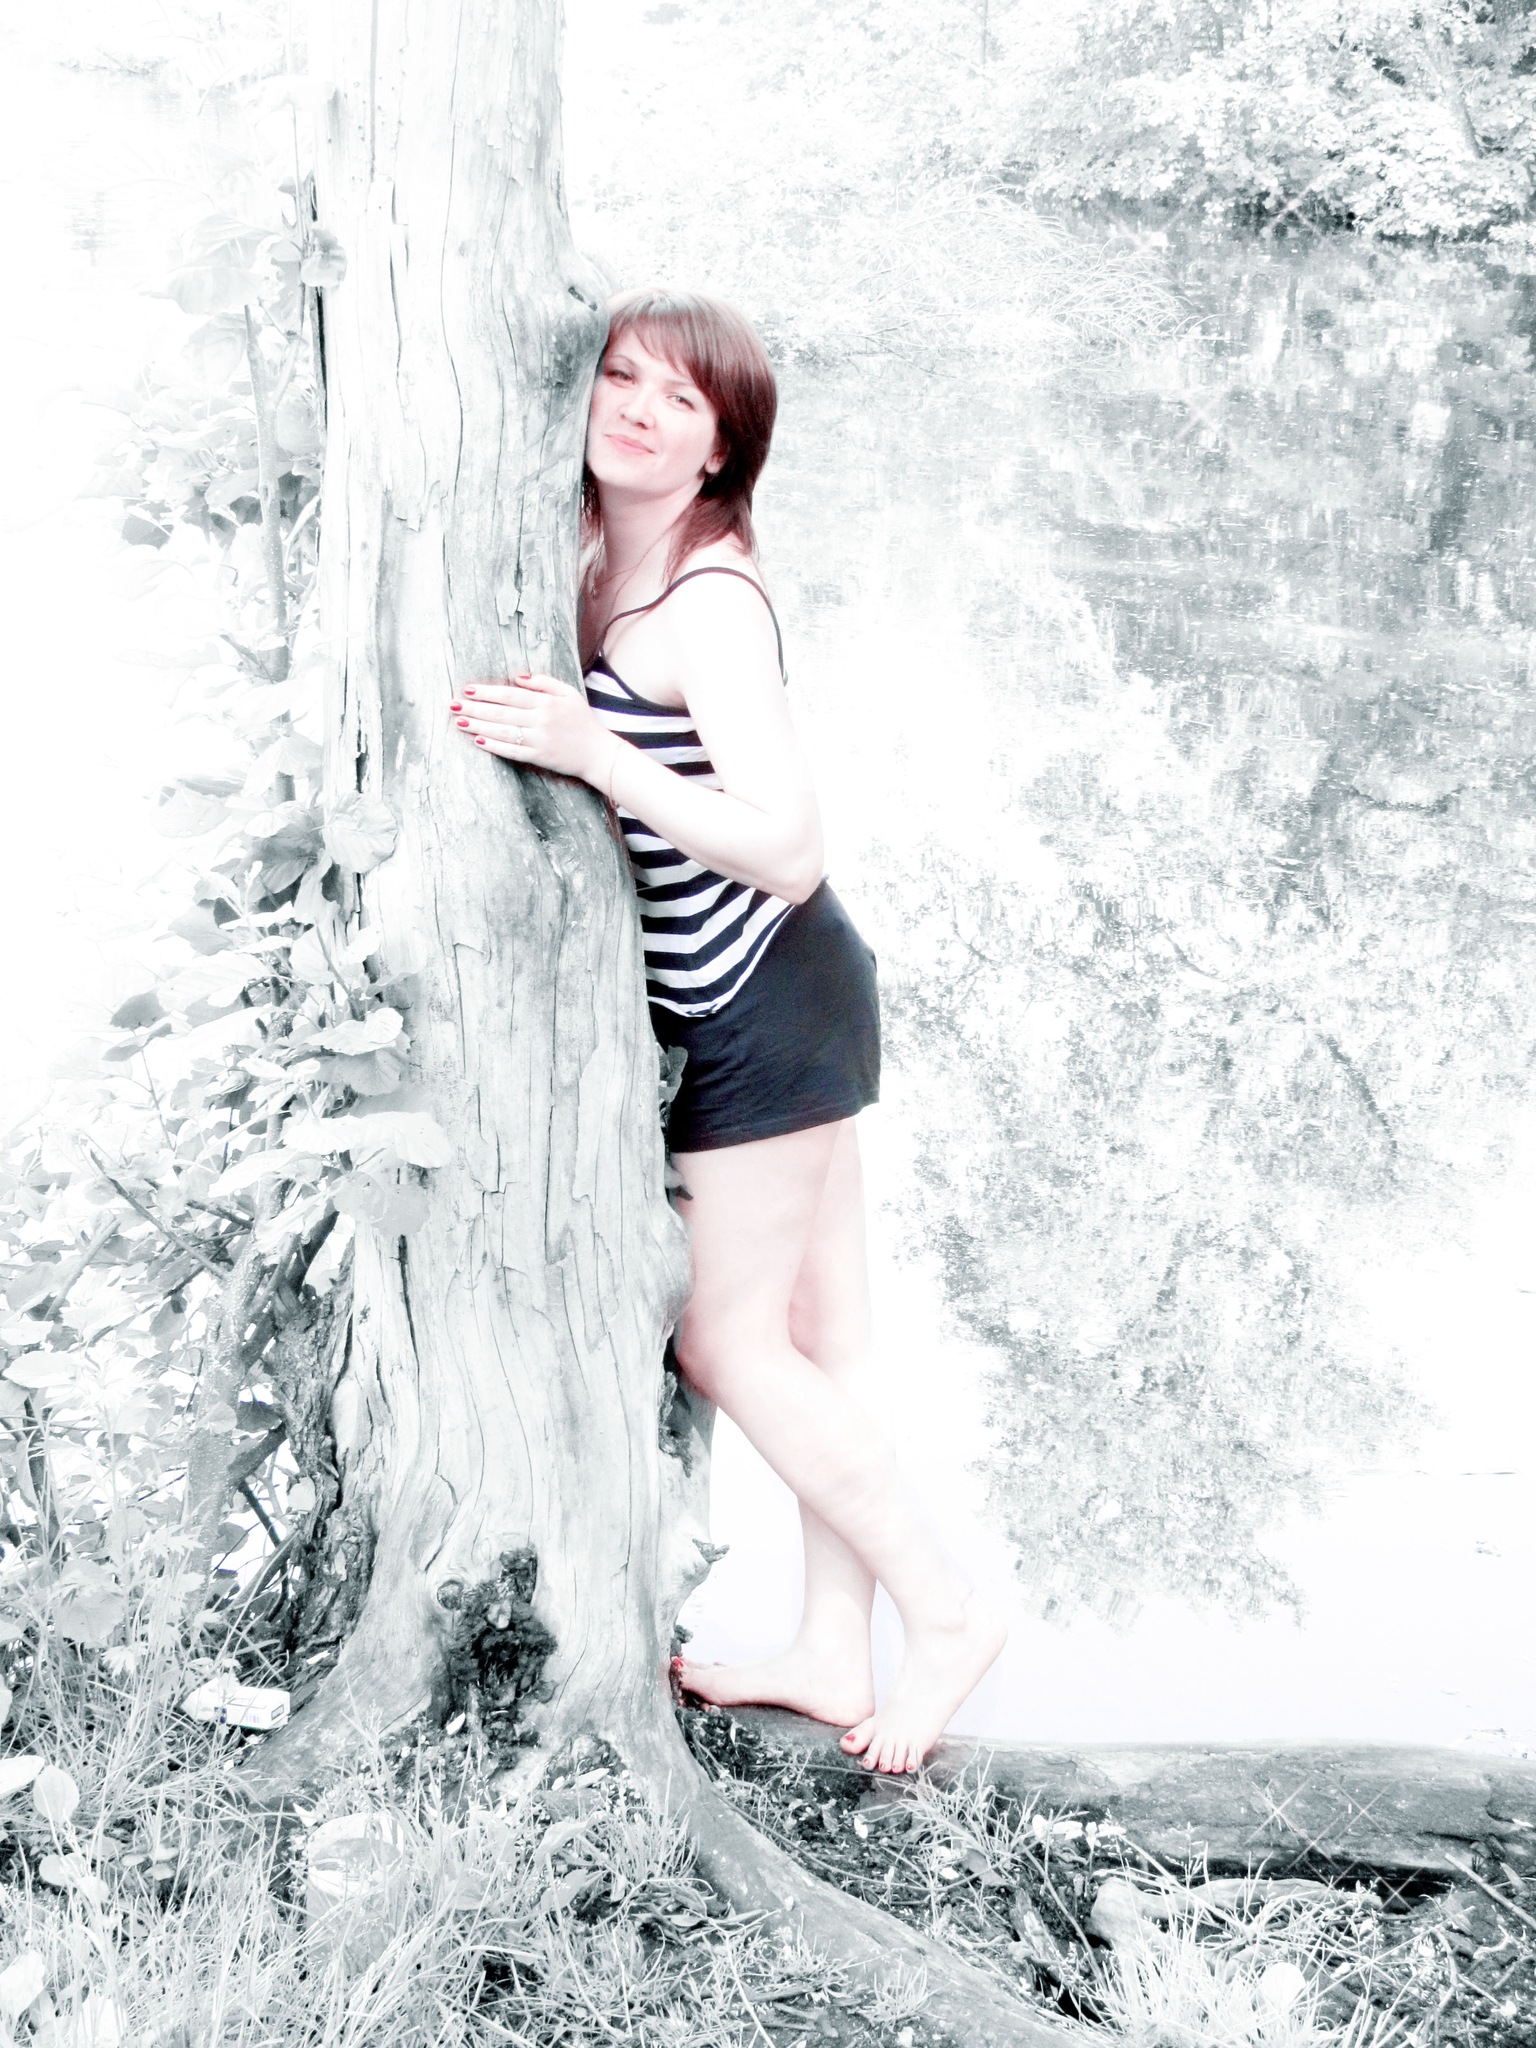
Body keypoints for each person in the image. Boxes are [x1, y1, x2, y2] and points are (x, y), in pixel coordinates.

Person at [447, 288, 1005, 1774]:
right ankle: (830, 1649)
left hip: (767, 993)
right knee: (825, 1341)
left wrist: (597, 753)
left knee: (726, 1339)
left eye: (678, 400)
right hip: (779, 990)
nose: (636, 410)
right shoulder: (589, 555)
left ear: (720, 450)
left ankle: (948, 1614)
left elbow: (787, 847)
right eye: (621, 377)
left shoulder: (708, 602)